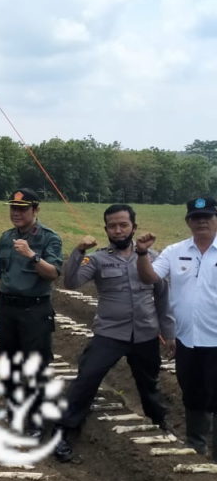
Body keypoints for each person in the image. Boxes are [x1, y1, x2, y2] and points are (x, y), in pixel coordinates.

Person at [53, 204, 173, 462]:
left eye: (123, 225)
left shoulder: (153, 257)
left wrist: (168, 332)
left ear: (134, 227)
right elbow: (71, 282)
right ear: (105, 228)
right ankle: (63, 433)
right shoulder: (96, 258)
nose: (118, 230)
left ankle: (160, 427)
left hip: (144, 334)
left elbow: (162, 297)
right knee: (86, 379)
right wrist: (79, 250)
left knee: (149, 385)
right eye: (112, 226)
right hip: (109, 333)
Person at [136, 196, 217, 460]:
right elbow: (150, 276)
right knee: (192, 392)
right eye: (196, 217)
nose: (201, 221)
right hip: (187, 340)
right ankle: (196, 444)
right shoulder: (175, 251)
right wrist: (142, 254)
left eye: (206, 216)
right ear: (188, 222)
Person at [0, 188, 63, 433]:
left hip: (35, 310)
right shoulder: (5, 237)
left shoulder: (49, 238)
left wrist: (32, 256)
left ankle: (34, 419)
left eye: (22, 209)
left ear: (35, 210)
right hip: (8, 309)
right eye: (13, 208)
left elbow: (53, 273)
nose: (16, 213)